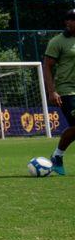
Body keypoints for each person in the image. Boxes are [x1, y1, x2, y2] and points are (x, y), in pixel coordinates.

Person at [42, 9, 75, 175]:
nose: (73, 22)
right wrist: (52, 91)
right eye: (72, 20)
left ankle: (57, 156)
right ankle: (57, 156)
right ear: (67, 22)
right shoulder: (58, 41)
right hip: (66, 89)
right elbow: (47, 66)